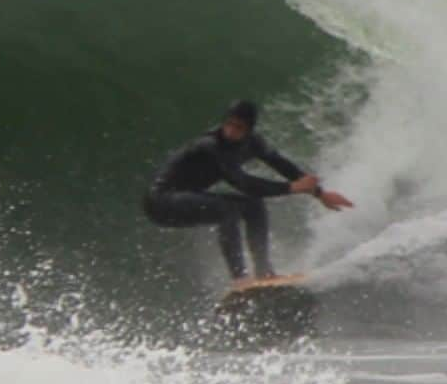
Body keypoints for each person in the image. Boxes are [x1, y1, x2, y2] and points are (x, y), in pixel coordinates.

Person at [143, 99, 354, 280]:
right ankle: (239, 278)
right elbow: (243, 183)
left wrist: (320, 194)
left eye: (239, 128)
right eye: (229, 124)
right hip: (161, 201)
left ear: (249, 129)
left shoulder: (254, 143)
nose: (231, 131)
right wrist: (292, 188)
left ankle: (264, 272)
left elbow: (281, 164)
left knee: (253, 205)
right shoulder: (211, 145)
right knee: (227, 210)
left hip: (188, 196)